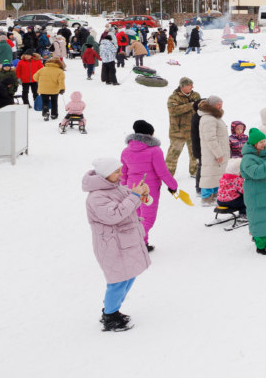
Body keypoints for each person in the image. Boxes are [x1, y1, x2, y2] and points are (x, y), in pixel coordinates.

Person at [85, 156, 152, 331]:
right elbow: (114, 215)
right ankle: (110, 315)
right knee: (118, 281)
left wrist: (141, 195)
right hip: (112, 246)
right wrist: (135, 195)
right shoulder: (96, 197)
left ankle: (112, 310)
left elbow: (128, 204)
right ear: (105, 175)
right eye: (117, 171)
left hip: (124, 242)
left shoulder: (116, 188)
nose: (121, 174)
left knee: (129, 276)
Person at [120, 120, 178, 250]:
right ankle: (133, 242)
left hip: (132, 188)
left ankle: (143, 244)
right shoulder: (154, 150)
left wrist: (123, 189)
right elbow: (162, 171)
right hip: (148, 188)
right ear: (150, 134)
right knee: (148, 218)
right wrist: (173, 185)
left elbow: (123, 174)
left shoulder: (126, 151)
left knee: (136, 216)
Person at [165, 78, 201, 178]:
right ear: (183, 86)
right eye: (190, 85)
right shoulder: (173, 97)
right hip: (178, 132)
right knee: (173, 155)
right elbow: (173, 111)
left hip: (193, 131)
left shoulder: (196, 95)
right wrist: (190, 105)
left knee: (195, 154)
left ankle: (194, 172)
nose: (192, 87)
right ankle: (167, 175)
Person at [197, 95, 228, 203]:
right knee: (209, 174)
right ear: (211, 105)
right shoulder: (208, 119)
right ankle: (206, 198)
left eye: (221, 104)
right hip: (212, 152)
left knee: (216, 174)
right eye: (218, 105)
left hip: (216, 151)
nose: (220, 107)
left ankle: (215, 196)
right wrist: (219, 154)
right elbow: (210, 139)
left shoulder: (214, 117)